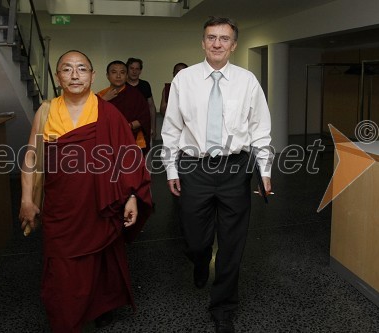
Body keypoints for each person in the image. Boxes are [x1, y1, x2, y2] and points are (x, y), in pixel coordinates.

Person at [19, 50, 152, 333]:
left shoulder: (108, 113)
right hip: (61, 205)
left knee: (100, 259)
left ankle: (100, 306)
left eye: (81, 69)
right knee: (61, 266)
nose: (75, 75)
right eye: (67, 69)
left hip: (100, 202)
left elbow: (127, 158)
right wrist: (26, 200)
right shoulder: (46, 111)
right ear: (58, 77)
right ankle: (66, 319)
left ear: (92, 76)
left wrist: (131, 197)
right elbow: (32, 158)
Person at [161, 17, 273, 333]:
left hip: (235, 167)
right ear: (203, 42)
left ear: (233, 45)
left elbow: (260, 129)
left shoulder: (247, 80)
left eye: (224, 38)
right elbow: (171, 128)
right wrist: (171, 167)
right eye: (211, 37)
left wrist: (264, 170)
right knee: (196, 239)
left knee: (232, 241)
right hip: (194, 167)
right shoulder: (184, 79)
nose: (217, 44)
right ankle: (198, 261)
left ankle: (223, 306)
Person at [98, 60, 151, 155]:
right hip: (107, 141)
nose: (118, 76)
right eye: (114, 72)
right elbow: (90, 116)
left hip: (131, 140)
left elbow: (145, 118)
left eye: (122, 72)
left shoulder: (135, 95)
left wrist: (128, 126)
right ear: (107, 76)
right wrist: (104, 100)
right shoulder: (100, 96)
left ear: (126, 76)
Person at [126, 57, 157, 141]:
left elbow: (151, 106)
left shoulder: (145, 85)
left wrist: (153, 127)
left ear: (140, 71)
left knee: (145, 153)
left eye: (137, 69)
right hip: (127, 127)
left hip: (144, 126)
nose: (134, 71)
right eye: (131, 68)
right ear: (127, 70)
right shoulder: (121, 85)